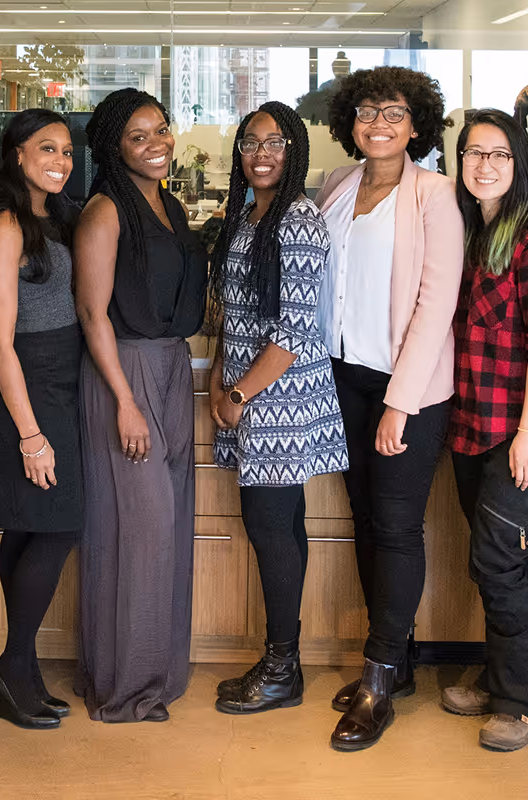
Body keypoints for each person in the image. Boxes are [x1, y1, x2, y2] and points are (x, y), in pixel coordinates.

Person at [315, 67, 463, 752]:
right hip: (344, 377)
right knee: (366, 520)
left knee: (399, 526)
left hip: (408, 387)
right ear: (351, 120)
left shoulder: (434, 194)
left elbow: (437, 302)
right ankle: (393, 661)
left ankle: (377, 682)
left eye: (395, 112)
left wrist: (400, 403)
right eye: (368, 111)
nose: (379, 123)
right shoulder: (337, 188)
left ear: (416, 124)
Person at [207, 102, 347, 717]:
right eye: (250, 142)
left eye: (275, 142)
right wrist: (220, 377)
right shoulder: (244, 217)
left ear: (295, 152)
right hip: (249, 390)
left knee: (270, 529)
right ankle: (280, 659)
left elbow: (294, 329)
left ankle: (283, 667)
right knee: (278, 528)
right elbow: (233, 316)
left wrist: (238, 394)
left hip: (280, 400)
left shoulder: (297, 219)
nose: (261, 153)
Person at [74, 87, 207, 723]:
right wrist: (125, 401)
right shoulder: (105, 210)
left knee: (170, 527)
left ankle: (156, 676)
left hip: (172, 368)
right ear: (112, 148)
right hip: (123, 373)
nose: (156, 144)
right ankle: (124, 687)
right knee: (139, 530)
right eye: (138, 136)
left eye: (161, 129)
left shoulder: (171, 205)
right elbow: (92, 312)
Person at [441, 109, 528, 752]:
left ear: (520, 165)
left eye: (498, 154)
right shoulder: (468, 232)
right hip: (471, 422)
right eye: (472, 154)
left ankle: (523, 704)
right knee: (496, 559)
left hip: (526, 429)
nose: (484, 165)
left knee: (497, 558)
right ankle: (500, 676)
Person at [0, 109, 85, 730]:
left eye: (67, 150)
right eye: (47, 148)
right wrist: (30, 434)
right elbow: (0, 339)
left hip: (64, 377)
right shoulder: (6, 224)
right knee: (56, 524)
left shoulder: (58, 215)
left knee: (26, 527)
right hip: (28, 384)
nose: (60, 160)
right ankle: (14, 664)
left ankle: (20, 668)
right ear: (17, 154)